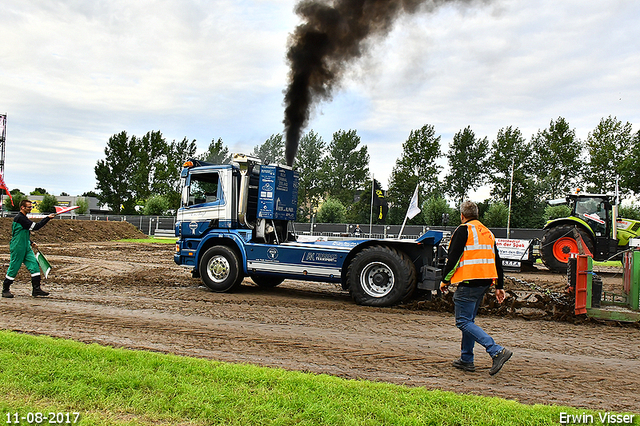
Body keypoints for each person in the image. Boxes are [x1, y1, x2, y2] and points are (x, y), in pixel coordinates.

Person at [440, 200, 512, 375]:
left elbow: (453, 258)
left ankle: (496, 350)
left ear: (462, 216)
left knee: (463, 321)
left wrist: (444, 280)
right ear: (477, 215)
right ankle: (466, 359)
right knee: (468, 322)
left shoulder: (463, 230)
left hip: (469, 282)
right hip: (485, 282)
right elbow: (497, 261)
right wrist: (499, 286)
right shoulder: (487, 232)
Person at [2, 200, 55, 298]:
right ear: (22, 207)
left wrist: (30, 242)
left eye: (31, 207)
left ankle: (36, 289)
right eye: (28, 207)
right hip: (18, 246)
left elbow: (23, 232)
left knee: (34, 265)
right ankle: (5, 289)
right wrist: (47, 218)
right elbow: (36, 227)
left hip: (26, 245)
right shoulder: (20, 218)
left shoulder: (24, 218)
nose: (30, 208)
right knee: (14, 267)